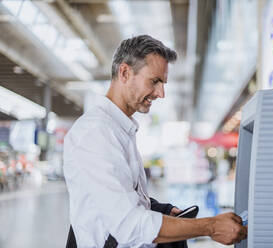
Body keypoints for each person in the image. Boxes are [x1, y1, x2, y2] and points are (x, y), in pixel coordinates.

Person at [63, 35, 247, 248]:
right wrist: (210, 226)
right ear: (125, 73)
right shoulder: (95, 133)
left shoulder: (120, 129)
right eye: (155, 81)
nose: (161, 93)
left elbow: (118, 200)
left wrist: (162, 210)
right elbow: (129, 225)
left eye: (163, 83)